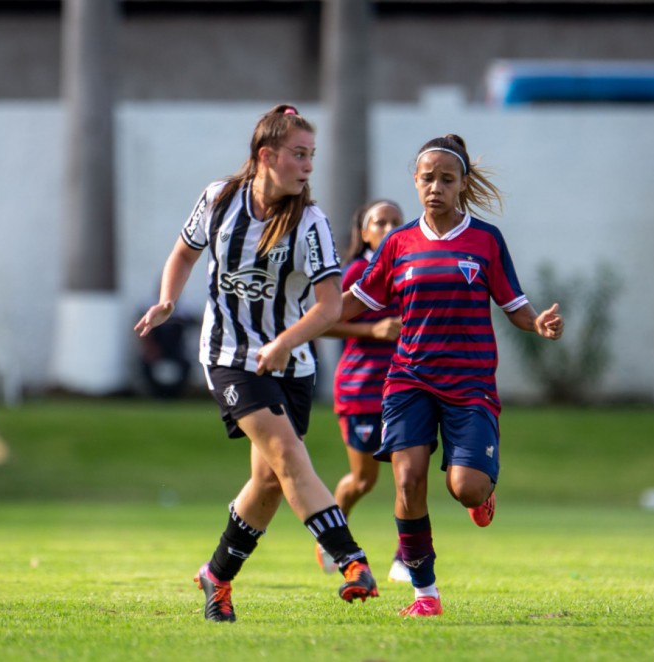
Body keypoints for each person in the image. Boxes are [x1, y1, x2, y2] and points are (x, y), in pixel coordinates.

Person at [134, 104, 378, 623]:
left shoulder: (310, 222)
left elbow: (330, 306)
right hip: (229, 357)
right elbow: (183, 253)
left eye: (312, 155)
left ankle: (216, 577)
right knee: (289, 454)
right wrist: (167, 300)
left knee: (269, 482)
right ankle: (349, 559)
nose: (309, 165)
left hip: (291, 364)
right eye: (298, 154)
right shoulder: (219, 198)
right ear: (266, 156)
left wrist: (285, 342)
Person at [339, 134, 564, 617]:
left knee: (466, 487)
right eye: (427, 178)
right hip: (409, 380)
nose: (436, 187)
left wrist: (538, 323)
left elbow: (515, 306)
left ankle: (483, 493)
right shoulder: (397, 244)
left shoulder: (485, 240)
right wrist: (306, 314)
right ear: (415, 182)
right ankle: (426, 596)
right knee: (407, 483)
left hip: (470, 385)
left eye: (447, 178)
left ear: (462, 184)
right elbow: (354, 302)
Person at [315, 200, 410, 583]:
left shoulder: (413, 268)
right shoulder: (356, 271)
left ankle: (406, 557)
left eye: (396, 222)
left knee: (409, 473)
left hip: (406, 387)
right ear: (365, 231)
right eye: (379, 222)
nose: (388, 228)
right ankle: (332, 531)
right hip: (361, 390)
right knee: (364, 480)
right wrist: (371, 330)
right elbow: (322, 322)